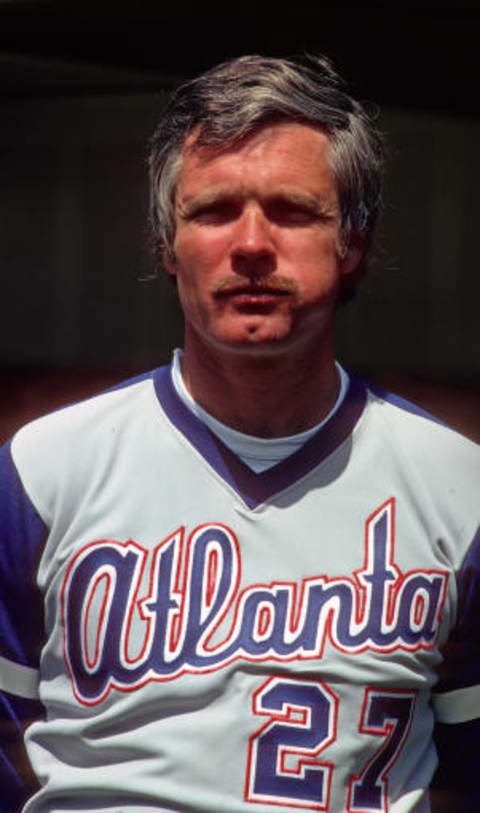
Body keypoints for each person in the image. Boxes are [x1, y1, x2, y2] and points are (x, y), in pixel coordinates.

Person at [0, 54, 478, 813]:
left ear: (351, 242)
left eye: (292, 210)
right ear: (168, 242)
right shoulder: (40, 469)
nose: (251, 243)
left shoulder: (460, 486)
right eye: (214, 210)